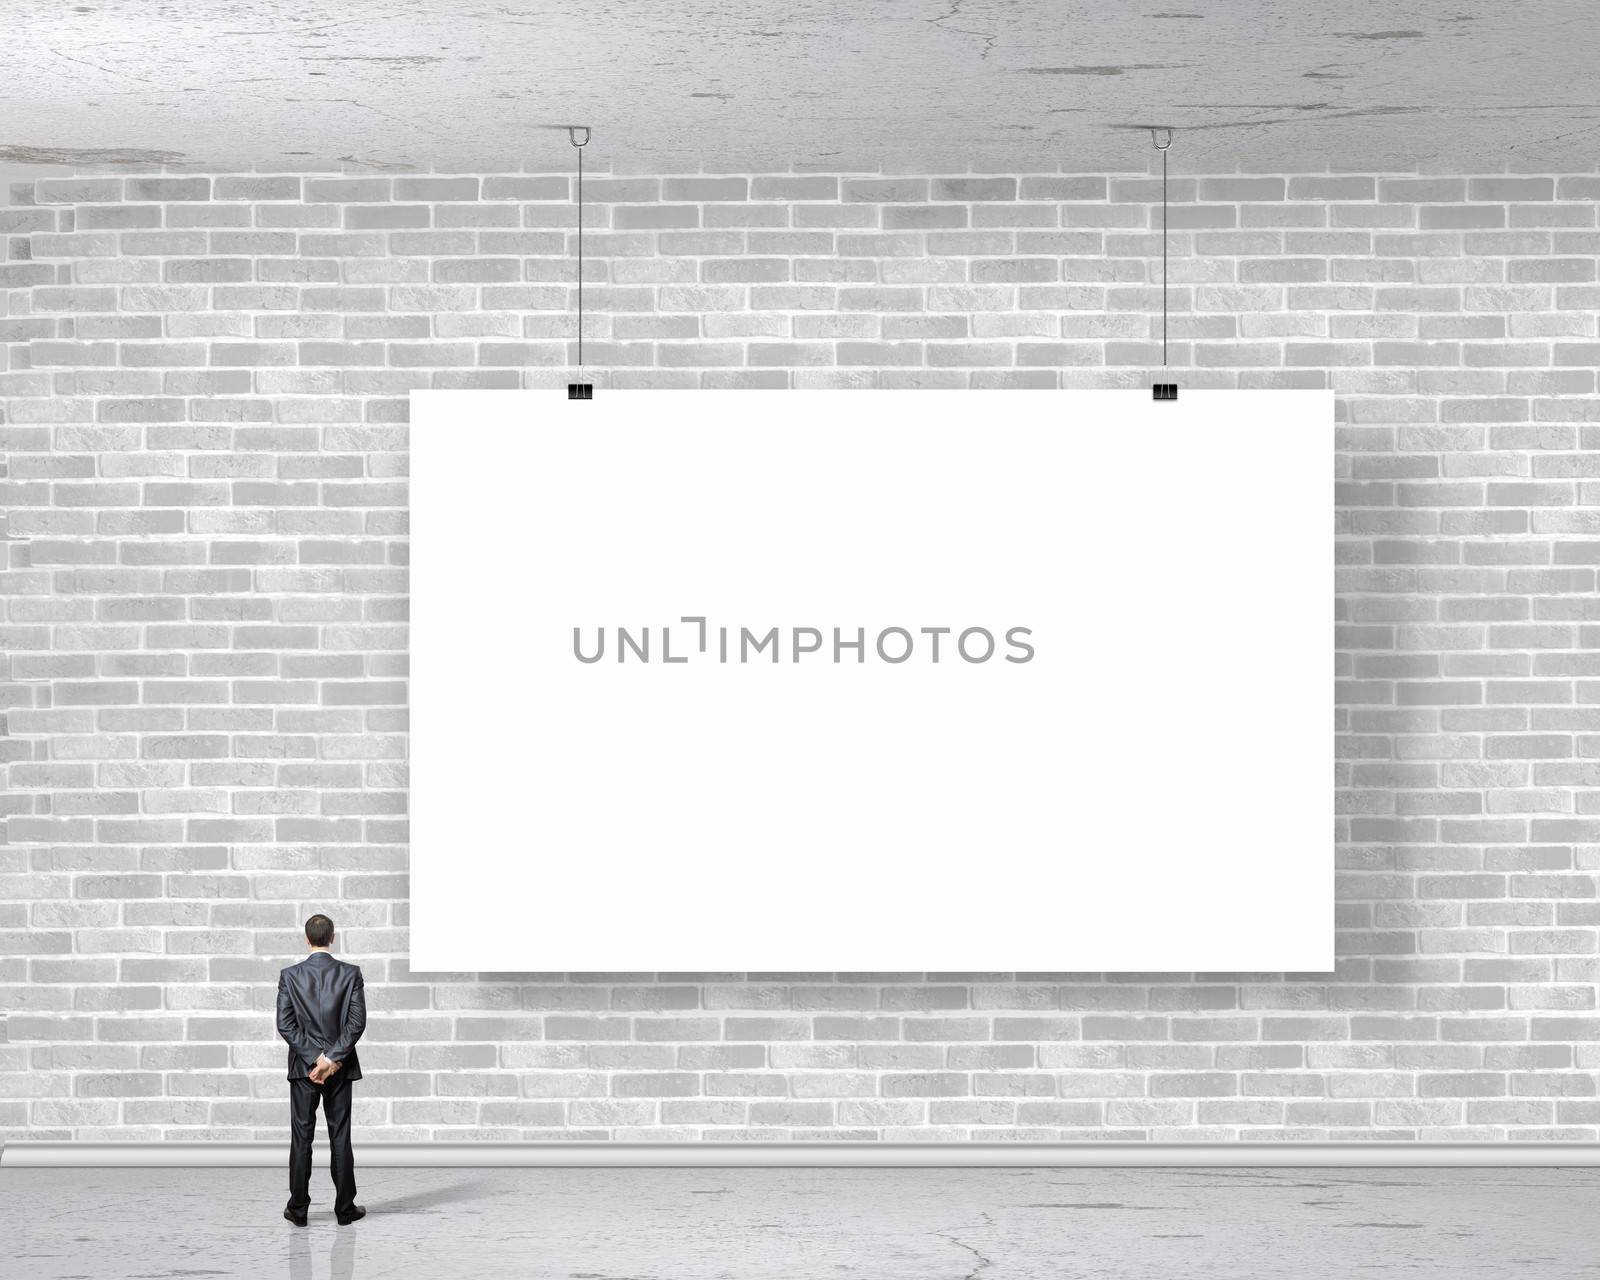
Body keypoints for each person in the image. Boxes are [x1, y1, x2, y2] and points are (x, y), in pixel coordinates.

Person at [276, 913, 367, 1226]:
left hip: (304, 1069)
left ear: (306, 939)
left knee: (301, 1137)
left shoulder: (290, 975)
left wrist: (315, 1058)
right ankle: (345, 1209)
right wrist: (331, 1059)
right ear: (333, 937)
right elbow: (356, 1024)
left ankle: (298, 1210)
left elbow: (285, 1025)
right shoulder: (350, 974)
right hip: (339, 1068)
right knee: (340, 1136)